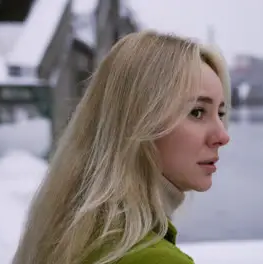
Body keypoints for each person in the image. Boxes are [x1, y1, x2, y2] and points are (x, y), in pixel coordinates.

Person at [12, 30, 231, 264]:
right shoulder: (153, 259)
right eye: (197, 112)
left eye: (220, 113)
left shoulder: (71, 233)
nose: (222, 136)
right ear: (138, 120)